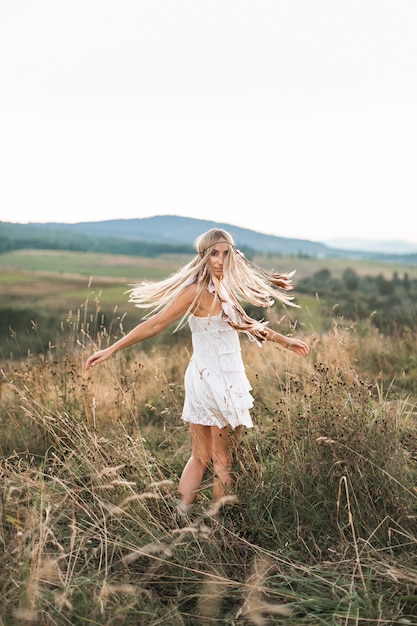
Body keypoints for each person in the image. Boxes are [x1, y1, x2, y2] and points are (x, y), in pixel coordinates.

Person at [85, 228, 309, 514]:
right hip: (217, 381)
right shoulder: (197, 290)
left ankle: (179, 517)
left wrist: (285, 340)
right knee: (222, 460)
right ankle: (221, 529)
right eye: (214, 253)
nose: (219, 260)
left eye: (226, 253)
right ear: (203, 255)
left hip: (207, 378)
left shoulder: (222, 288)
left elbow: (246, 323)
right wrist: (112, 349)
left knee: (201, 456)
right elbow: (155, 324)